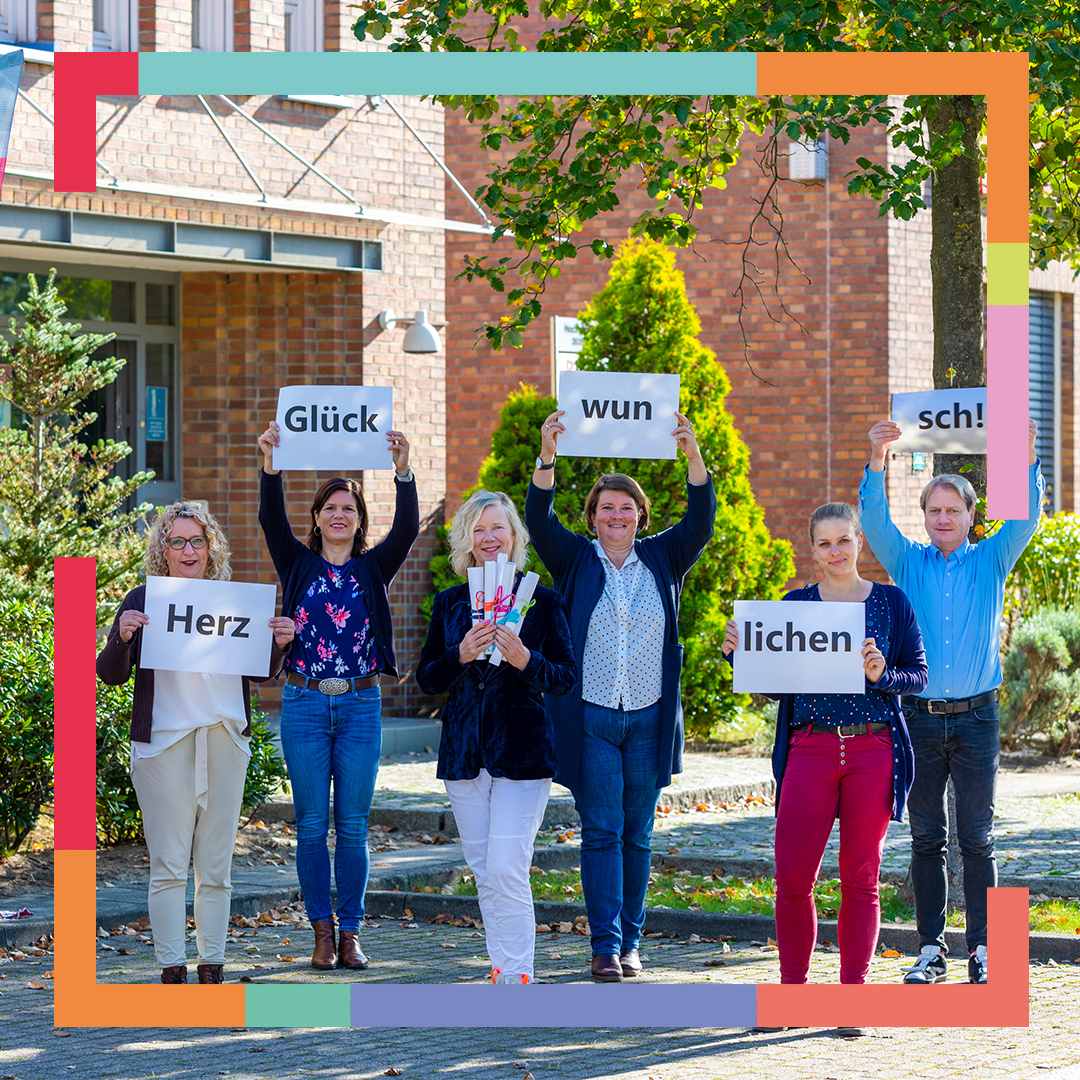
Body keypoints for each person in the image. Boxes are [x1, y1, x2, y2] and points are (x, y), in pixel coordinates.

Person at [524, 408, 716, 982]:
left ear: (640, 515)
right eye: (606, 507)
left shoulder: (662, 558)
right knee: (602, 831)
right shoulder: (576, 559)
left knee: (639, 834)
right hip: (594, 720)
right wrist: (547, 457)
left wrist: (694, 458)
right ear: (593, 516)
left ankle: (632, 943)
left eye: (626, 507)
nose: (616, 515)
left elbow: (700, 523)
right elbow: (539, 519)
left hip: (651, 720)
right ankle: (605, 947)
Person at [860, 418, 1044, 986]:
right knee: (925, 838)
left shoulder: (993, 558)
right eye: (934, 511)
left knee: (977, 837)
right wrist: (876, 456)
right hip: (915, 718)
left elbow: (1028, 516)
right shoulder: (906, 562)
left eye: (953, 511)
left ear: (971, 516)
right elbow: (872, 520)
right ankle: (930, 950)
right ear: (926, 517)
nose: (943, 519)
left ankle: (985, 949)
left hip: (977, 720)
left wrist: (1028, 451)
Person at [722, 503, 926, 994]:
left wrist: (883, 675)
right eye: (824, 543)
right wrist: (739, 656)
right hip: (808, 748)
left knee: (860, 876)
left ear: (859, 541)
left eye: (844, 540)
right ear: (812, 549)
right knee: (792, 876)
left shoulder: (893, 603)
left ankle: (852, 995)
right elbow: (774, 689)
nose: (835, 551)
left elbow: (918, 676)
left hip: (871, 749)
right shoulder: (793, 607)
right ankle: (793, 990)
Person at [97, 502, 295, 984]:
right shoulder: (143, 599)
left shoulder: (232, 602)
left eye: (198, 541)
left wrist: (280, 644)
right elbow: (109, 673)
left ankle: (212, 967)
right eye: (178, 542)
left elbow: (261, 672)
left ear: (212, 548)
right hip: (163, 746)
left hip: (224, 740)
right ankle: (171, 968)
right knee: (167, 864)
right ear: (162, 550)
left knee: (216, 865)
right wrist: (122, 638)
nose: (189, 550)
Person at [257, 420, 419, 971]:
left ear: (358, 519)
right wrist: (271, 464)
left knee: (351, 825)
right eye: (329, 507)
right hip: (303, 703)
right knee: (309, 825)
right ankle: (321, 934)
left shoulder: (374, 567)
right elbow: (267, 519)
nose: (338, 515)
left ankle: (350, 934)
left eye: (348, 507)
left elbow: (409, 528)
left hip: (359, 704)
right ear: (318, 518)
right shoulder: (297, 563)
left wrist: (403, 473)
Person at [416, 490, 576, 984]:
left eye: (498, 528)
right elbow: (426, 679)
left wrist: (526, 660)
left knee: (508, 864)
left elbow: (566, 677)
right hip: (465, 755)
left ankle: (519, 975)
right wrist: (459, 655)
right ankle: (502, 969)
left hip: (522, 753)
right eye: (479, 530)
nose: (489, 538)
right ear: (466, 539)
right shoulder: (450, 604)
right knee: (485, 869)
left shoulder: (543, 601)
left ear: (514, 537)